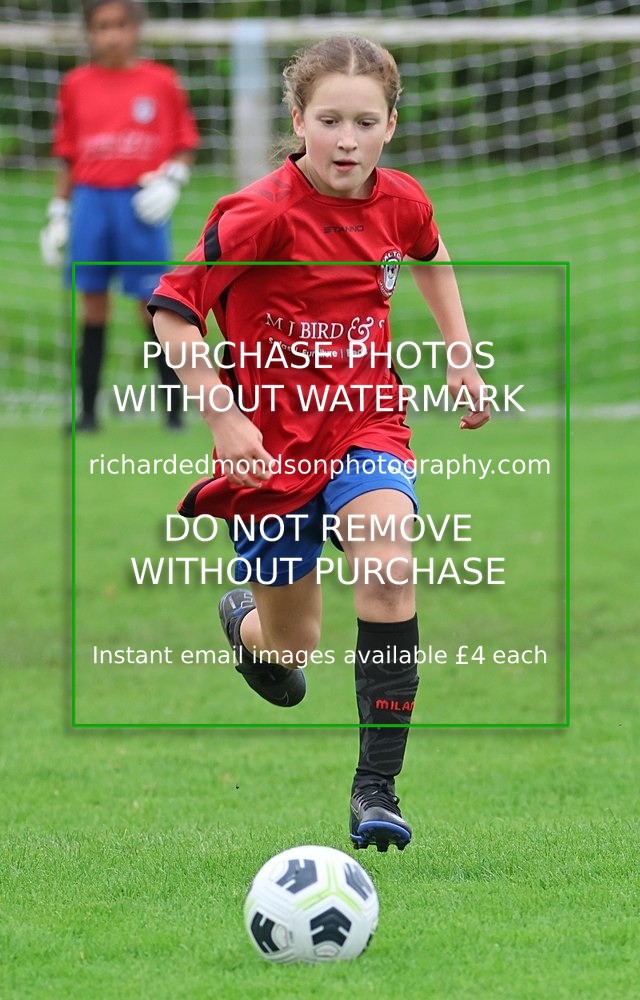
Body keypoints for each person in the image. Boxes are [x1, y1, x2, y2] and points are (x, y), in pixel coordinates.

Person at [149, 36, 489, 851]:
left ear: (391, 127)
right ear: (298, 119)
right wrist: (224, 415)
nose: (346, 139)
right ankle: (248, 629)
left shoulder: (401, 200)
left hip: (367, 426)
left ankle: (377, 792)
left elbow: (431, 252)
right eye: (329, 119)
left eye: (364, 122)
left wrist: (459, 351)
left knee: (388, 569)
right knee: (294, 645)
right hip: (270, 451)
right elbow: (171, 310)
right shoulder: (258, 213)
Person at [40, 0, 199, 430]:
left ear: (136, 28)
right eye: (101, 26)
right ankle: (88, 413)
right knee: (92, 306)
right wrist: (58, 212)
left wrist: (173, 180)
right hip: (91, 201)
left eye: (120, 25)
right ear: (90, 32)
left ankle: (174, 414)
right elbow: (69, 157)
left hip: (139, 204)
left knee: (153, 306)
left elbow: (184, 144)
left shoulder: (161, 82)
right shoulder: (75, 84)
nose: (111, 34)